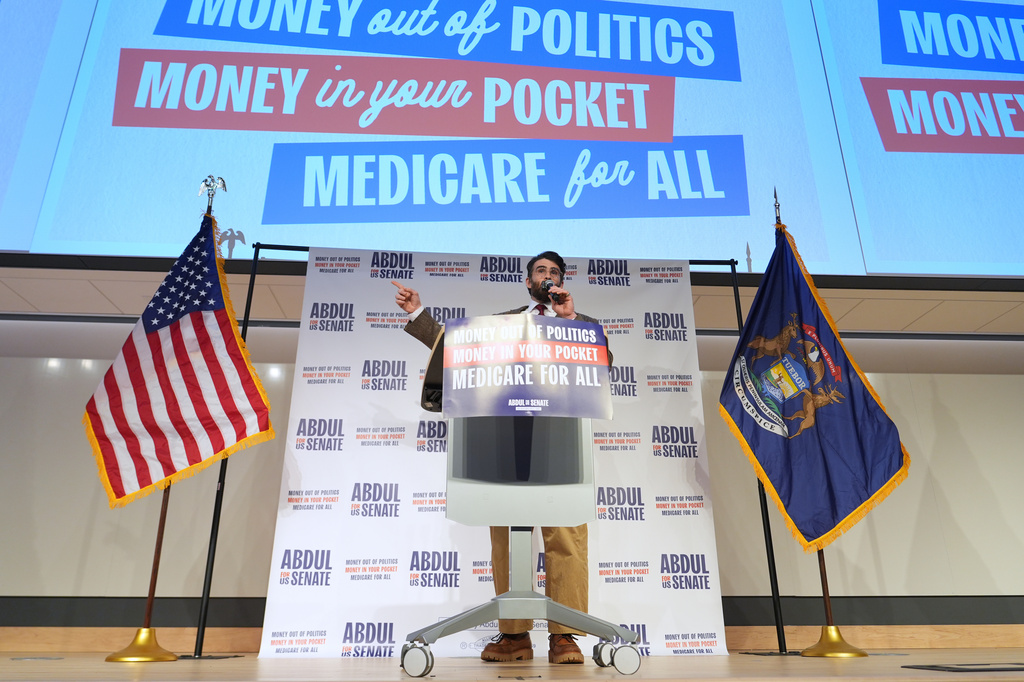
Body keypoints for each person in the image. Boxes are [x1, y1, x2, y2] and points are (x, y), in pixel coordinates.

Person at [392, 251, 609, 665]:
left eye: (556, 273)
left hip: (560, 442)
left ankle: (565, 637)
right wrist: (418, 312)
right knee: (506, 537)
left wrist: (569, 320)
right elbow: (455, 349)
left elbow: (603, 364)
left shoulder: (581, 325)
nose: (549, 276)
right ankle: (514, 637)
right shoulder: (499, 324)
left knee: (566, 535)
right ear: (529, 283)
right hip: (501, 441)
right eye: (541, 271)